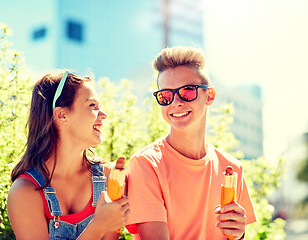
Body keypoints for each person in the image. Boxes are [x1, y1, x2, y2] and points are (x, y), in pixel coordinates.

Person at [125, 46, 257, 240]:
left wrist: (239, 235)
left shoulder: (233, 168)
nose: (175, 102)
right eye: (166, 96)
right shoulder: (145, 165)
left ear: (209, 96)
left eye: (187, 91)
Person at [7, 70, 130, 240]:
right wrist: (98, 226)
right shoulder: (25, 192)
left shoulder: (109, 177)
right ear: (62, 115)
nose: (103, 115)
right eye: (92, 106)